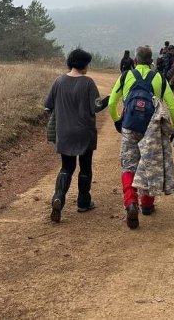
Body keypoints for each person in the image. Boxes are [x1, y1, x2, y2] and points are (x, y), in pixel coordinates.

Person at [108, 45, 174, 229]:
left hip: (130, 125)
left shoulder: (126, 77)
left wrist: (117, 120)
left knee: (128, 164)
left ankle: (131, 202)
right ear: (151, 62)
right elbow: (172, 105)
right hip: (152, 127)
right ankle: (147, 205)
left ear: (135, 61)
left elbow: (111, 102)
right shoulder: (159, 78)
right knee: (149, 163)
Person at [44, 48, 102, 222]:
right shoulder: (88, 83)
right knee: (85, 167)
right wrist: (109, 100)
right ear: (83, 64)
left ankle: (58, 197)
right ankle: (83, 202)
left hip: (65, 132)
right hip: (85, 132)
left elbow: (48, 105)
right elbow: (96, 107)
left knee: (66, 167)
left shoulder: (59, 81)